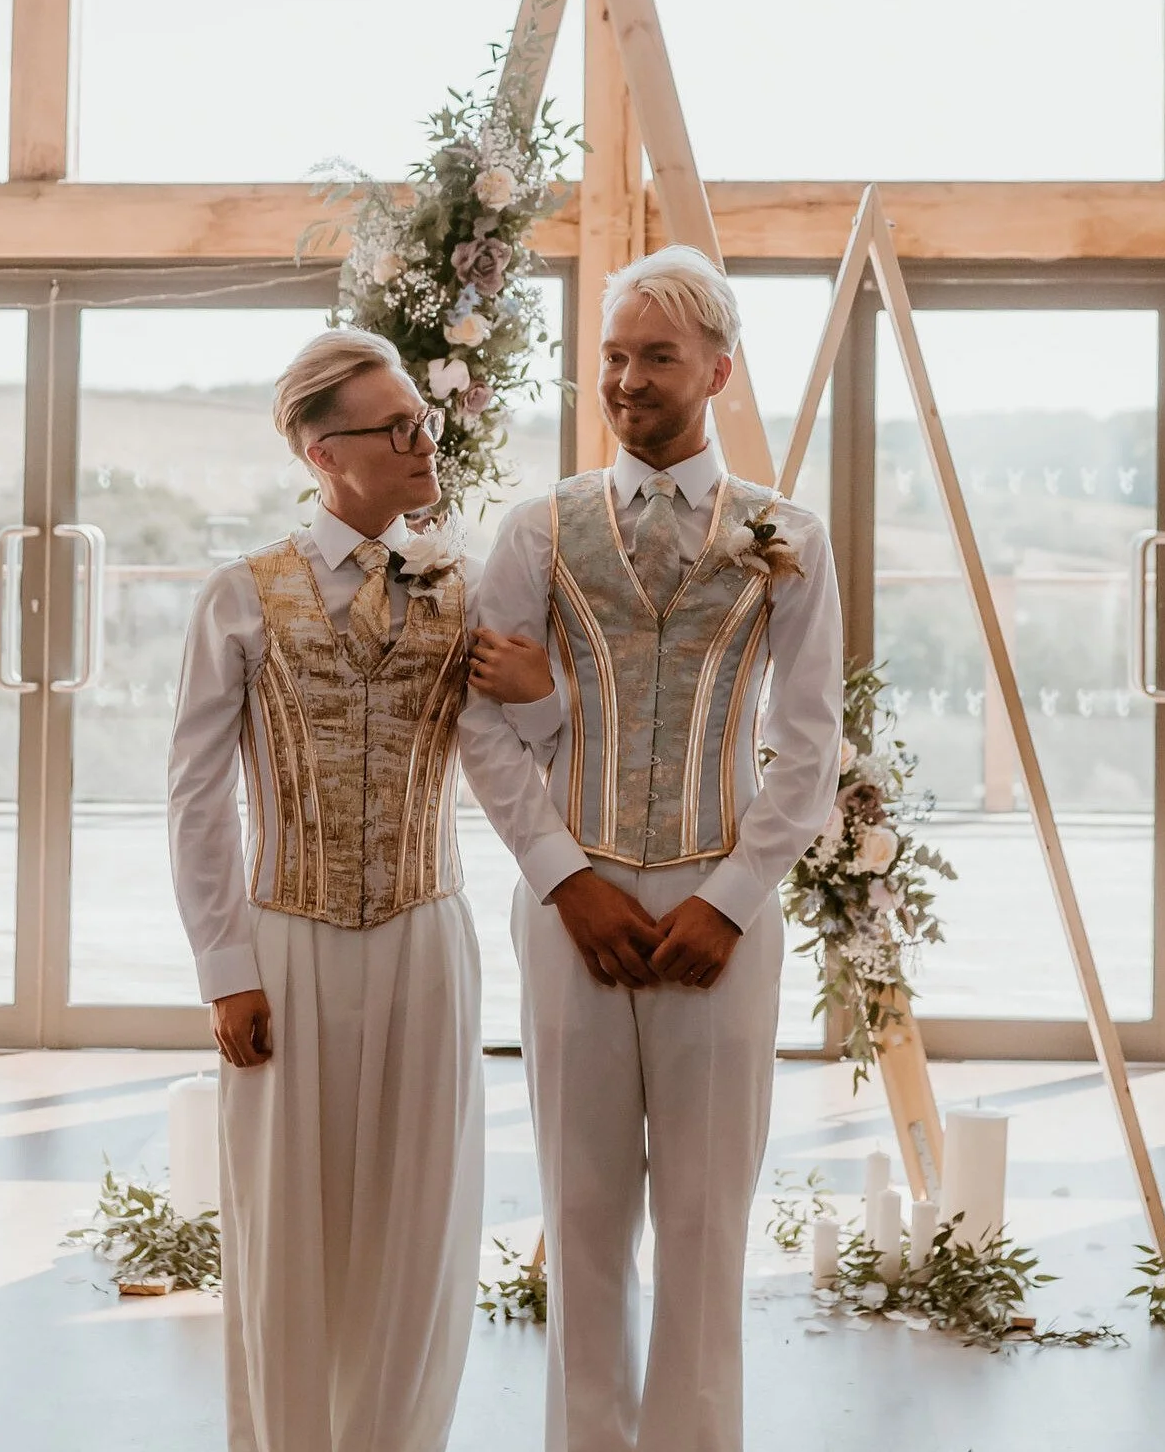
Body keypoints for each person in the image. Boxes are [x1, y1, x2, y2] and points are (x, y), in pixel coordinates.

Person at [167, 329, 570, 1452]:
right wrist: (223, 965)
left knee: (416, 1222)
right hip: (282, 938)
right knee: (281, 1227)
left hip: (423, 934)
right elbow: (196, 794)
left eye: (421, 420)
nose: (421, 440)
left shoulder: (467, 585)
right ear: (318, 450)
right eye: (395, 428)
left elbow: (512, 750)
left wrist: (544, 700)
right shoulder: (238, 596)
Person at [472, 247, 844, 1452]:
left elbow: (807, 735)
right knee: (579, 1213)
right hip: (566, 903)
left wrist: (731, 899)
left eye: (654, 356)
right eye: (611, 356)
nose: (624, 379)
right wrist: (562, 880)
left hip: (718, 910)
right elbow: (481, 720)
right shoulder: (535, 530)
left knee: (703, 1217)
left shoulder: (788, 536)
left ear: (718, 370)